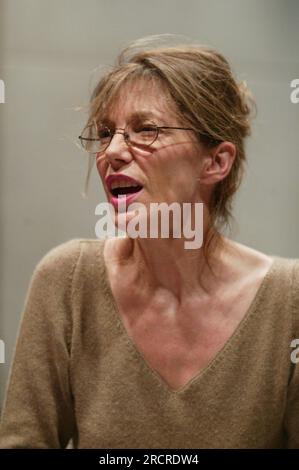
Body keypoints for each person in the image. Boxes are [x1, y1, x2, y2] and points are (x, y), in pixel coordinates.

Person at [0, 35, 298, 449]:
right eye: (106, 133)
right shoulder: (67, 280)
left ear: (216, 162)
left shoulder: (289, 299)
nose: (112, 152)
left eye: (146, 130)